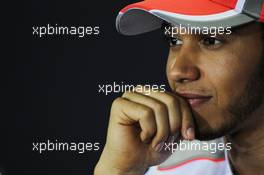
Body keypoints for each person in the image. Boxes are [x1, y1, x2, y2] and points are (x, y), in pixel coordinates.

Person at [94, 0, 264, 174]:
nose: (178, 71)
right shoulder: (168, 168)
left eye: (211, 41)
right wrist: (120, 170)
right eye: (174, 40)